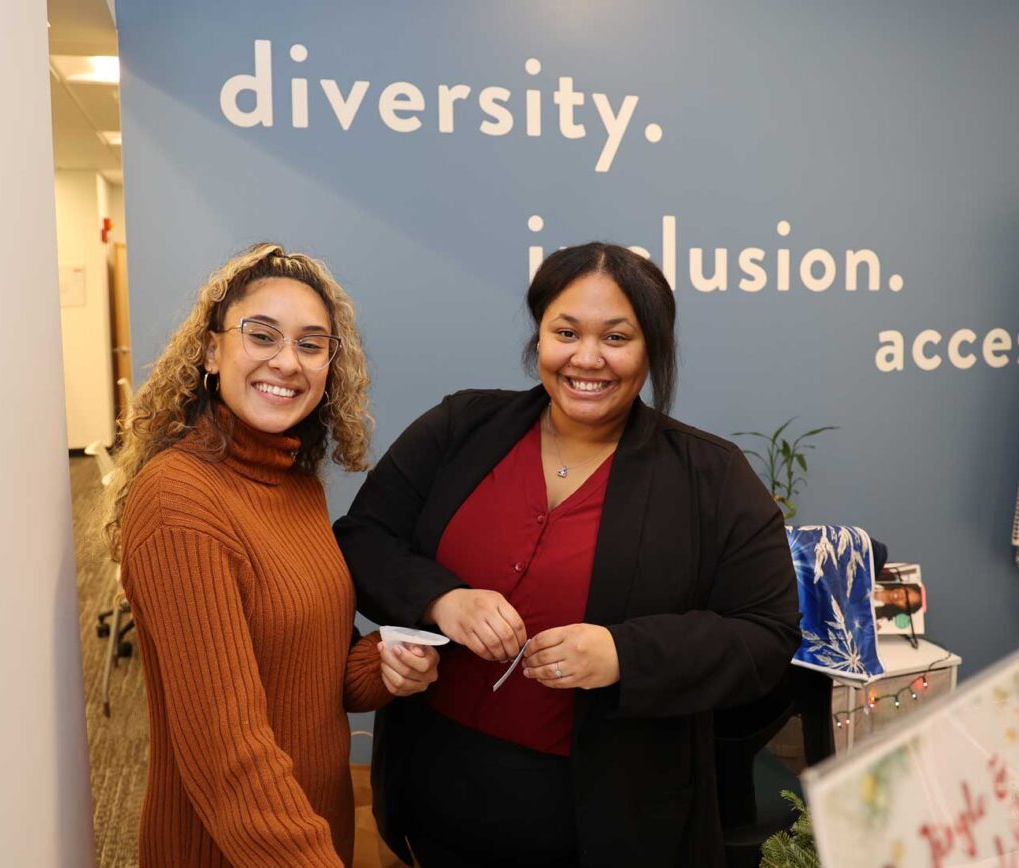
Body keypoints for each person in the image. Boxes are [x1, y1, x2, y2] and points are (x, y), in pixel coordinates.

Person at [334, 242, 802, 867]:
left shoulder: (711, 478)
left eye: (617, 337)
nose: (587, 358)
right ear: (539, 339)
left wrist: (623, 654)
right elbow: (362, 537)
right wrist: (441, 599)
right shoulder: (460, 427)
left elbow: (766, 635)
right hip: (433, 794)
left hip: (609, 824)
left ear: (652, 350)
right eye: (565, 332)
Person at [102, 243, 438, 866]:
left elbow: (307, 673)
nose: (287, 361)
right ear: (210, 350)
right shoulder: (181, 501)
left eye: (311, 345)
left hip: (311, 835)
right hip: (229, 851)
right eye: (262, 335)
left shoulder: (294, 483)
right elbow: (228, 758)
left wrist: (380, 663)